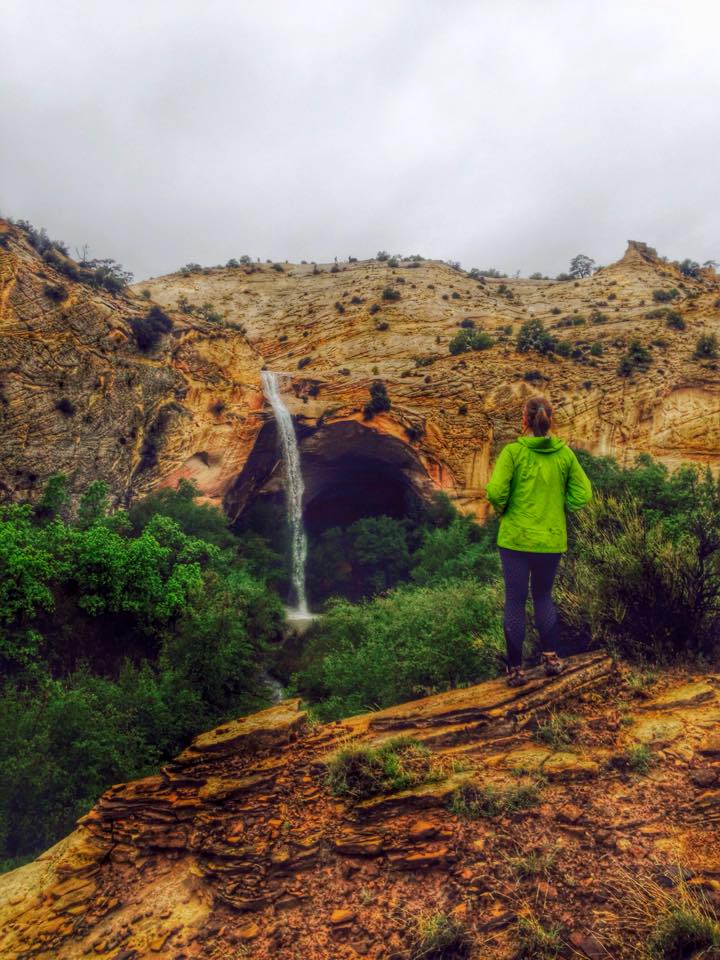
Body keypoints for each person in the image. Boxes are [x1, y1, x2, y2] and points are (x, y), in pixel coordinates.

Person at [485, 396, 592, 687]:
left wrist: (505, 508)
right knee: (543, 597)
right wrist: (560, 507)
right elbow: (584, 493)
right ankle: (551, 659)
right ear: (550, 419)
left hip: (515, 540)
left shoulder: (513, 452)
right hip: (550, 540)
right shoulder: (564, 455)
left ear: (524, 420)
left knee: (515, 601)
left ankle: (516, 670)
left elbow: (495, 492)